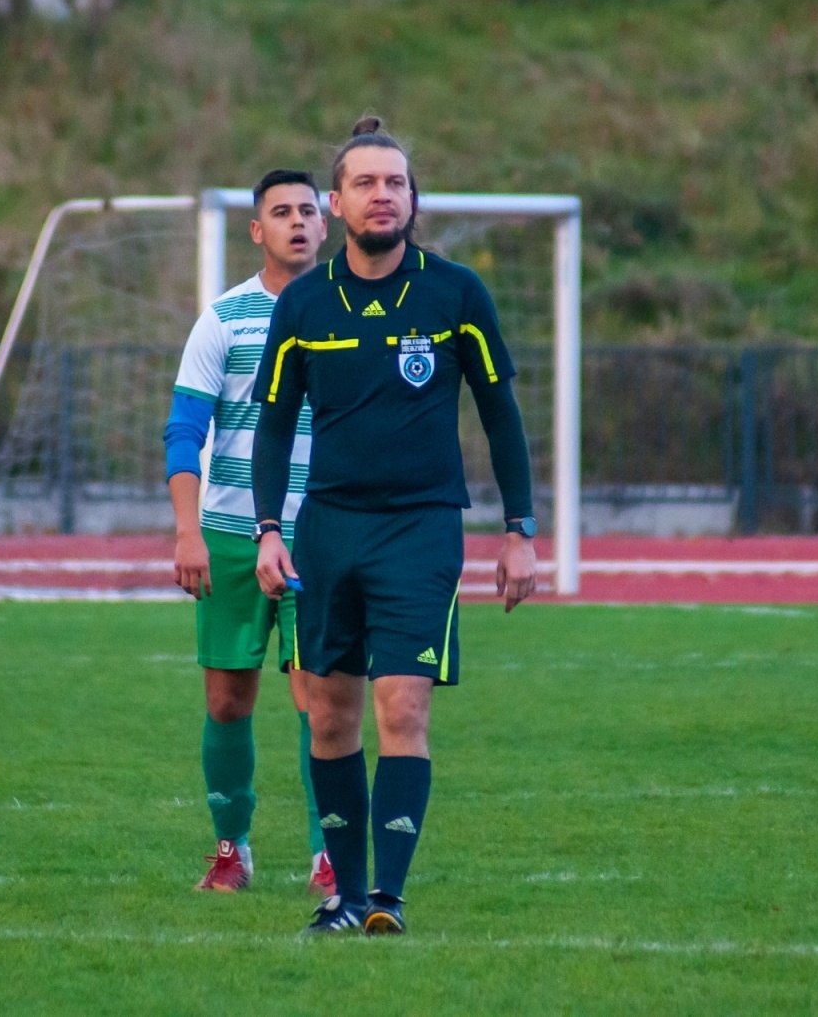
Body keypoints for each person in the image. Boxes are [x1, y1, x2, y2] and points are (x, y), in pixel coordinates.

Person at [250, 118, 539, 936]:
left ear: (415, 200)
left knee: (403, 709)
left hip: (421, 530)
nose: (384, 195)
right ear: (336, 204)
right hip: (328, 532)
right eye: (366, 183)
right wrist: (268, 529)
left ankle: (388, 899)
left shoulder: (456, 293)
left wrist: (520, 529)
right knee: (329, 716)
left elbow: (501, 413)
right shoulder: (304, 302)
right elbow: (274, 423)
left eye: (396, 183)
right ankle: (344, 897)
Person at [163, 168, 335, 896]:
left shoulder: (353, 313)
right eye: (281, 212)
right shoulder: (225, 319)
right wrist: (187, 532)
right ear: (257, 230)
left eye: (307, 210)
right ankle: (231, 849)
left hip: (320, 538)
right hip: (231, 536)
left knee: (321, 702)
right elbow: (184, 430)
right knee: (227, 703)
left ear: (325, 224)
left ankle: (330, 855)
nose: (297, 221)